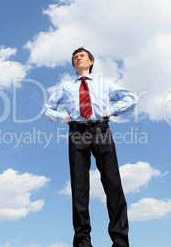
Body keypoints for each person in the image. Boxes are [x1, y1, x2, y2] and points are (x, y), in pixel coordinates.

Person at [41, 47, 138, 247]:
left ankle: (120, 241)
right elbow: (46, 110)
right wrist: (63, 117)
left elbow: (131, 98)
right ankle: (83, 242)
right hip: (77, 132)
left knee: (113, 183)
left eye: (82, 55)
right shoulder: (65, 87)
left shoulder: (104, 85)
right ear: (73, 64)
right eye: (75, 57)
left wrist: (110, 111)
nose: (78, 58)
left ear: (91, 61)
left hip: (101, 129)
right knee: (79, 187)